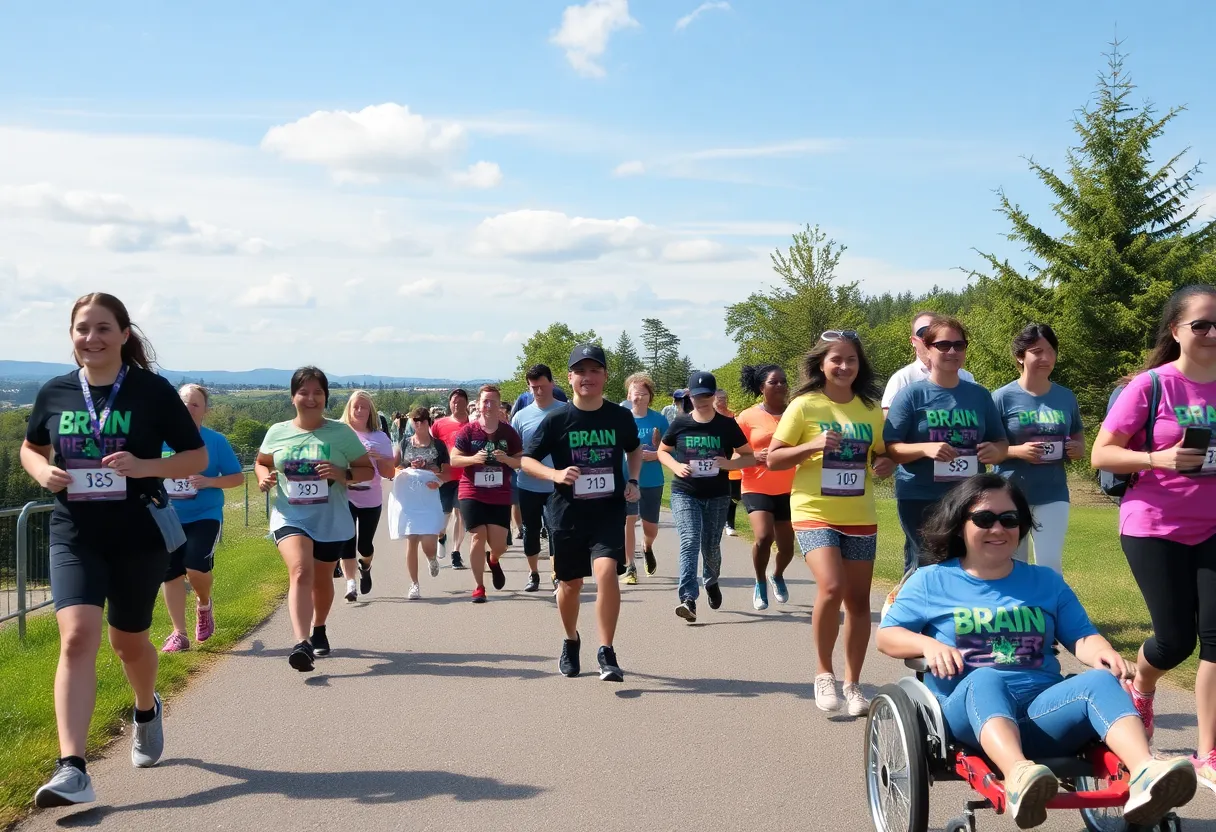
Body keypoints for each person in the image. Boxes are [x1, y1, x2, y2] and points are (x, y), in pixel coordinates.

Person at [878, 474, 1196, 830]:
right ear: (959, 524)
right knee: (986, 678)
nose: (998, 528)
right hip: (967, 714)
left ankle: (1145, 774)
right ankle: (1018, 777)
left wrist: (1104, 653)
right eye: (984, 518)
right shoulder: (930, 581)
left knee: (1099, 681)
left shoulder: (1045, 582)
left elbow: (1083, 637)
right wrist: (928, 644)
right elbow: (887, 636)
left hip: (1040, 712)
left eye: (1009, 519)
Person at [21, 293, 208, 807]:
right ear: (72, 335)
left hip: (138, 535)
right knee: (77, 638)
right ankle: (72, 769)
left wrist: (146, 467)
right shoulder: (56, 391)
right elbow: (31, 447)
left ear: (125, 334)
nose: (92, 338)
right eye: (82, 328)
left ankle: (146, 708)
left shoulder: (151, 391)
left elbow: (195, 456)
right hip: (75, 534)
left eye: (103, 328)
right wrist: (42, 471)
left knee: (128, 643)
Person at [1091, 283, 1216, 788]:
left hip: (1213, 527)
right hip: (1154, 526)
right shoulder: (1151, 386)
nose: (1212, 333)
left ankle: (1208, 752)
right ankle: (1142, 684)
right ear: (1176, 331)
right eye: (1201, 325)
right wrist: (1157, 458)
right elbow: (1101, 453)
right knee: (1174, 641)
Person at [768, 333, 895, 715]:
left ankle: (853, 684)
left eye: (851, 360)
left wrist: (884, 464)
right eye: (836, 360)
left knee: (858, 601)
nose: (844, 366)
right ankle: (824, 674)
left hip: (859, 514)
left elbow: (882, 455)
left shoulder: (869, 409)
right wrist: (812, 445)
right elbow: (773, 459)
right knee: (833, 586)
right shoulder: (804, 405)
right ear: (821, 364)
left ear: (860, 365)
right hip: (814, 511)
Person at [521, 343, 642, 681]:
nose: (588, 377)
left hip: (608, 509)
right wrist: (555, 474)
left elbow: (634, 449)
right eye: (581, 371)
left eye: (595, 370)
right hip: (567, 513)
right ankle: (571, 639)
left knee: (606, 573)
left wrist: (633, 479)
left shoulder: (619, 417)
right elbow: (527, 460)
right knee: (571, 584)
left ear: (605, 376)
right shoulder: (557, 419)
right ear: (570, 377)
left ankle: (606, 651)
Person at [255, 367, 373, 672]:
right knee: (299, 570)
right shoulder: (277, 431)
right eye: (304, 392)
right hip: (290, 514)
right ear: (293, 397)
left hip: (329, 518)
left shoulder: (341, 433)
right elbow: (262, 462)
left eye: (318, 392)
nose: (311, 398)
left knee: (322, 580)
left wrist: (342, 473)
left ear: (326, 397)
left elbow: (367, 470)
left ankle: (319, 626)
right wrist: (263, 477)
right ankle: (302, 642)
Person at [884, 316, 1007, 573]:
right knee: (927, 565)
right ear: (927, 349)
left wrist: (995, 451)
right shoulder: (912, 395)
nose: (952, 351)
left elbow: (1000, 443)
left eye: (959, 345)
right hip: (921, 496)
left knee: (966, 564)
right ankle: (911, 600)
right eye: (943, 345)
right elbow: (892, 448)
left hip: (968, 495)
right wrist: (924, 449)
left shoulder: (980, 395)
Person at [658, 371, 755, 623]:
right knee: (689, 540)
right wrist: (675, 466)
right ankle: (688, 599)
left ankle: (711, 581)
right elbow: (662, 451)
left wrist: (728, 464)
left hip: (717, 495)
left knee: (710, 546)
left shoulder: (726, 425)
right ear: (690, 397)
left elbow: (749, 456)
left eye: (706, 396)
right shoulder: (681, 423)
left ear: (714, 396)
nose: (701, 401)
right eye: (697, 396)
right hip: (685, 492)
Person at [990, 324, 1084, 575]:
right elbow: (987, 448)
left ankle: (1048, 602)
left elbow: (1078, 435)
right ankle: (1013, 602)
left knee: (1050, 564)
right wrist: (1016, 452)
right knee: (1012, 563)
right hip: (1010, 494)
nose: (1046, 358)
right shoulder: (1002, 397)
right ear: (1020, 356)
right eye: (1037, 352)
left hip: (1053, 492)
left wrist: (1077, 448)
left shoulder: (1066, 397)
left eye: (1051, 351)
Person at [160, 384, 244, 653]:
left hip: (205, 515)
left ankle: (204, 604)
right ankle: (179, 634)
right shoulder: (159, 439)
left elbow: (237, 477)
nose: (188, 408)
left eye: (195, 404)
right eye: (183, 403)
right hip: (168, 516)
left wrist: (209, 481)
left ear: (205, 410)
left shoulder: (215, 441)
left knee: (195, 565)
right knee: (171, 573)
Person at [449, 385, 523, 603]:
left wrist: (506, 459)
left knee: (500, 545)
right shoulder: (469, 431)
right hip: (472, 491)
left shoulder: (508, 432)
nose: (488, 405)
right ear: (479, 405)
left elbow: (521, 460)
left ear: (499, 405)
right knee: (477, 536)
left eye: (493, 401)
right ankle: (479, 587)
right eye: (485, 401)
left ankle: (493, 559)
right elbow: (454, 459)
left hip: (499, 493)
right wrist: (474, 459)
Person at [734, 365, 796, 611]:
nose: (780, 385)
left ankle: (776, 574)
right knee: (763, 536)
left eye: (783, 381)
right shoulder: (747, 417)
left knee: (787, 547)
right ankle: (760, 582)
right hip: (756, 485)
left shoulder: (796, 413)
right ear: (762, 388)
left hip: (790, 488)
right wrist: (754, 457)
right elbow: (733, 455)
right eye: (774, 382)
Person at [511, 364, 568, 593]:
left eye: (542, 386)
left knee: (557, 531)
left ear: (552, 384)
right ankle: (533, 573)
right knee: (531, 531)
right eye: (534, 388)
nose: (539, 391)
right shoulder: (521, 417)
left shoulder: (566, 411)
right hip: (529, 484)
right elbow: (515, 451)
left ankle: (557, 574)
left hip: (558, 486)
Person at [336, 390, 395, 602]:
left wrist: (378, 458)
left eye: (364, 407)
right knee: (347, 540)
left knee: (365, 545)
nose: (359, 411)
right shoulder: (340, 434)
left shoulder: (380, 438)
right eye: (356, 407)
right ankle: (350, 584)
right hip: (346, 495)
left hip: (371, 496)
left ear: (370, 411)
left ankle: (366, 565)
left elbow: (389, 473)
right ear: (349, 409)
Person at [388, 406, 449, 599]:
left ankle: (432, 558)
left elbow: (447, 472)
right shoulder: (405, 443)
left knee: (428, 542)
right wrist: (405, 467)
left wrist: (437, 479)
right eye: (415, 420)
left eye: (422, 420)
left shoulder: (438, 445)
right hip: (409, 499)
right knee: (412, 539)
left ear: (428, 422)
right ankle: (414, 584)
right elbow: (393, 467)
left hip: (429, 498)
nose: (419, 424)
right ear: (411, 422)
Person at [621, 372, 669, 584]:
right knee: (628, 521)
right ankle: (630, 567)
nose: (639, 397)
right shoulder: (622, 418)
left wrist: (656, 454)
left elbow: (672, 450)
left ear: (650, 396)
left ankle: (647, 546)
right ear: (628, 395)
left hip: (652, 480)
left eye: (643, 393)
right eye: (635, 393)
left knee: (651, 528)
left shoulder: (659, 420)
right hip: (627, 479)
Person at [882, 310, 976, 414]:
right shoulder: (903, 379)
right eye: (924, 333)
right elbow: (889, 420)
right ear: (913, 341)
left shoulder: (966, 377)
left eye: (936, 333)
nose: (930, 338)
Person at [431, 389, 470, 569]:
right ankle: (441, 536)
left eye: (460, 401)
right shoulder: (439, 425)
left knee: (460, 514)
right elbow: (430, 447)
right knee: (443, 516)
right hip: (445, 476)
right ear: (449, 404)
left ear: (466, 403)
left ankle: (456, 553)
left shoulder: (473, 424)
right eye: (454, 401)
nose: (457, 405)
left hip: (466, 476)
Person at [713, 390, 743, 537]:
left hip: (733, 461)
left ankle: (729, 523)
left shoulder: (734, 416)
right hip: (714, 462)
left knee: (734, 494)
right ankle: (716, 522)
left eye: (725, 398)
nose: (722, 401)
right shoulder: (709, 417)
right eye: (719, 398)